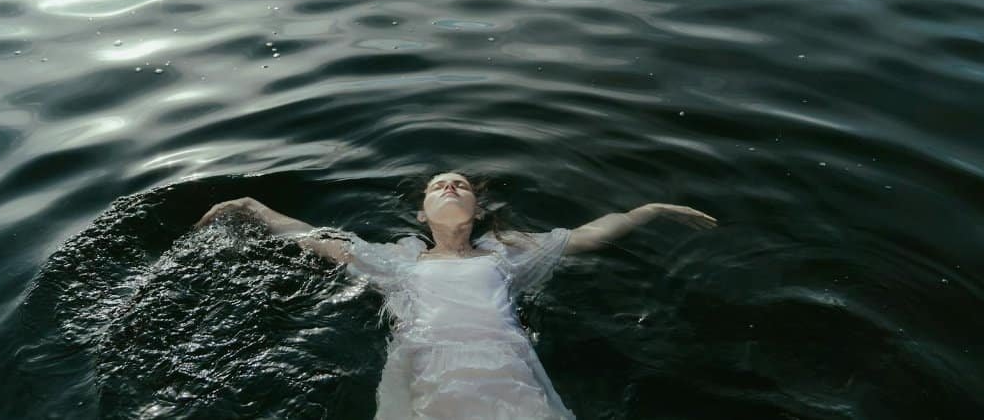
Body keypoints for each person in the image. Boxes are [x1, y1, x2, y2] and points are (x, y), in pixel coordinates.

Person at [194, 172, 717, 420]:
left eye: (461, 184)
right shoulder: (396, 260)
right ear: (421, 214)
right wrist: (253, 207)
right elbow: (313, 237)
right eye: (438, 185)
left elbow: (589, 234)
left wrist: (648, 210)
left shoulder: (510, 255)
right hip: (425, 367)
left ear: (477, 208)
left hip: (506, 368)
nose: (449, 186)